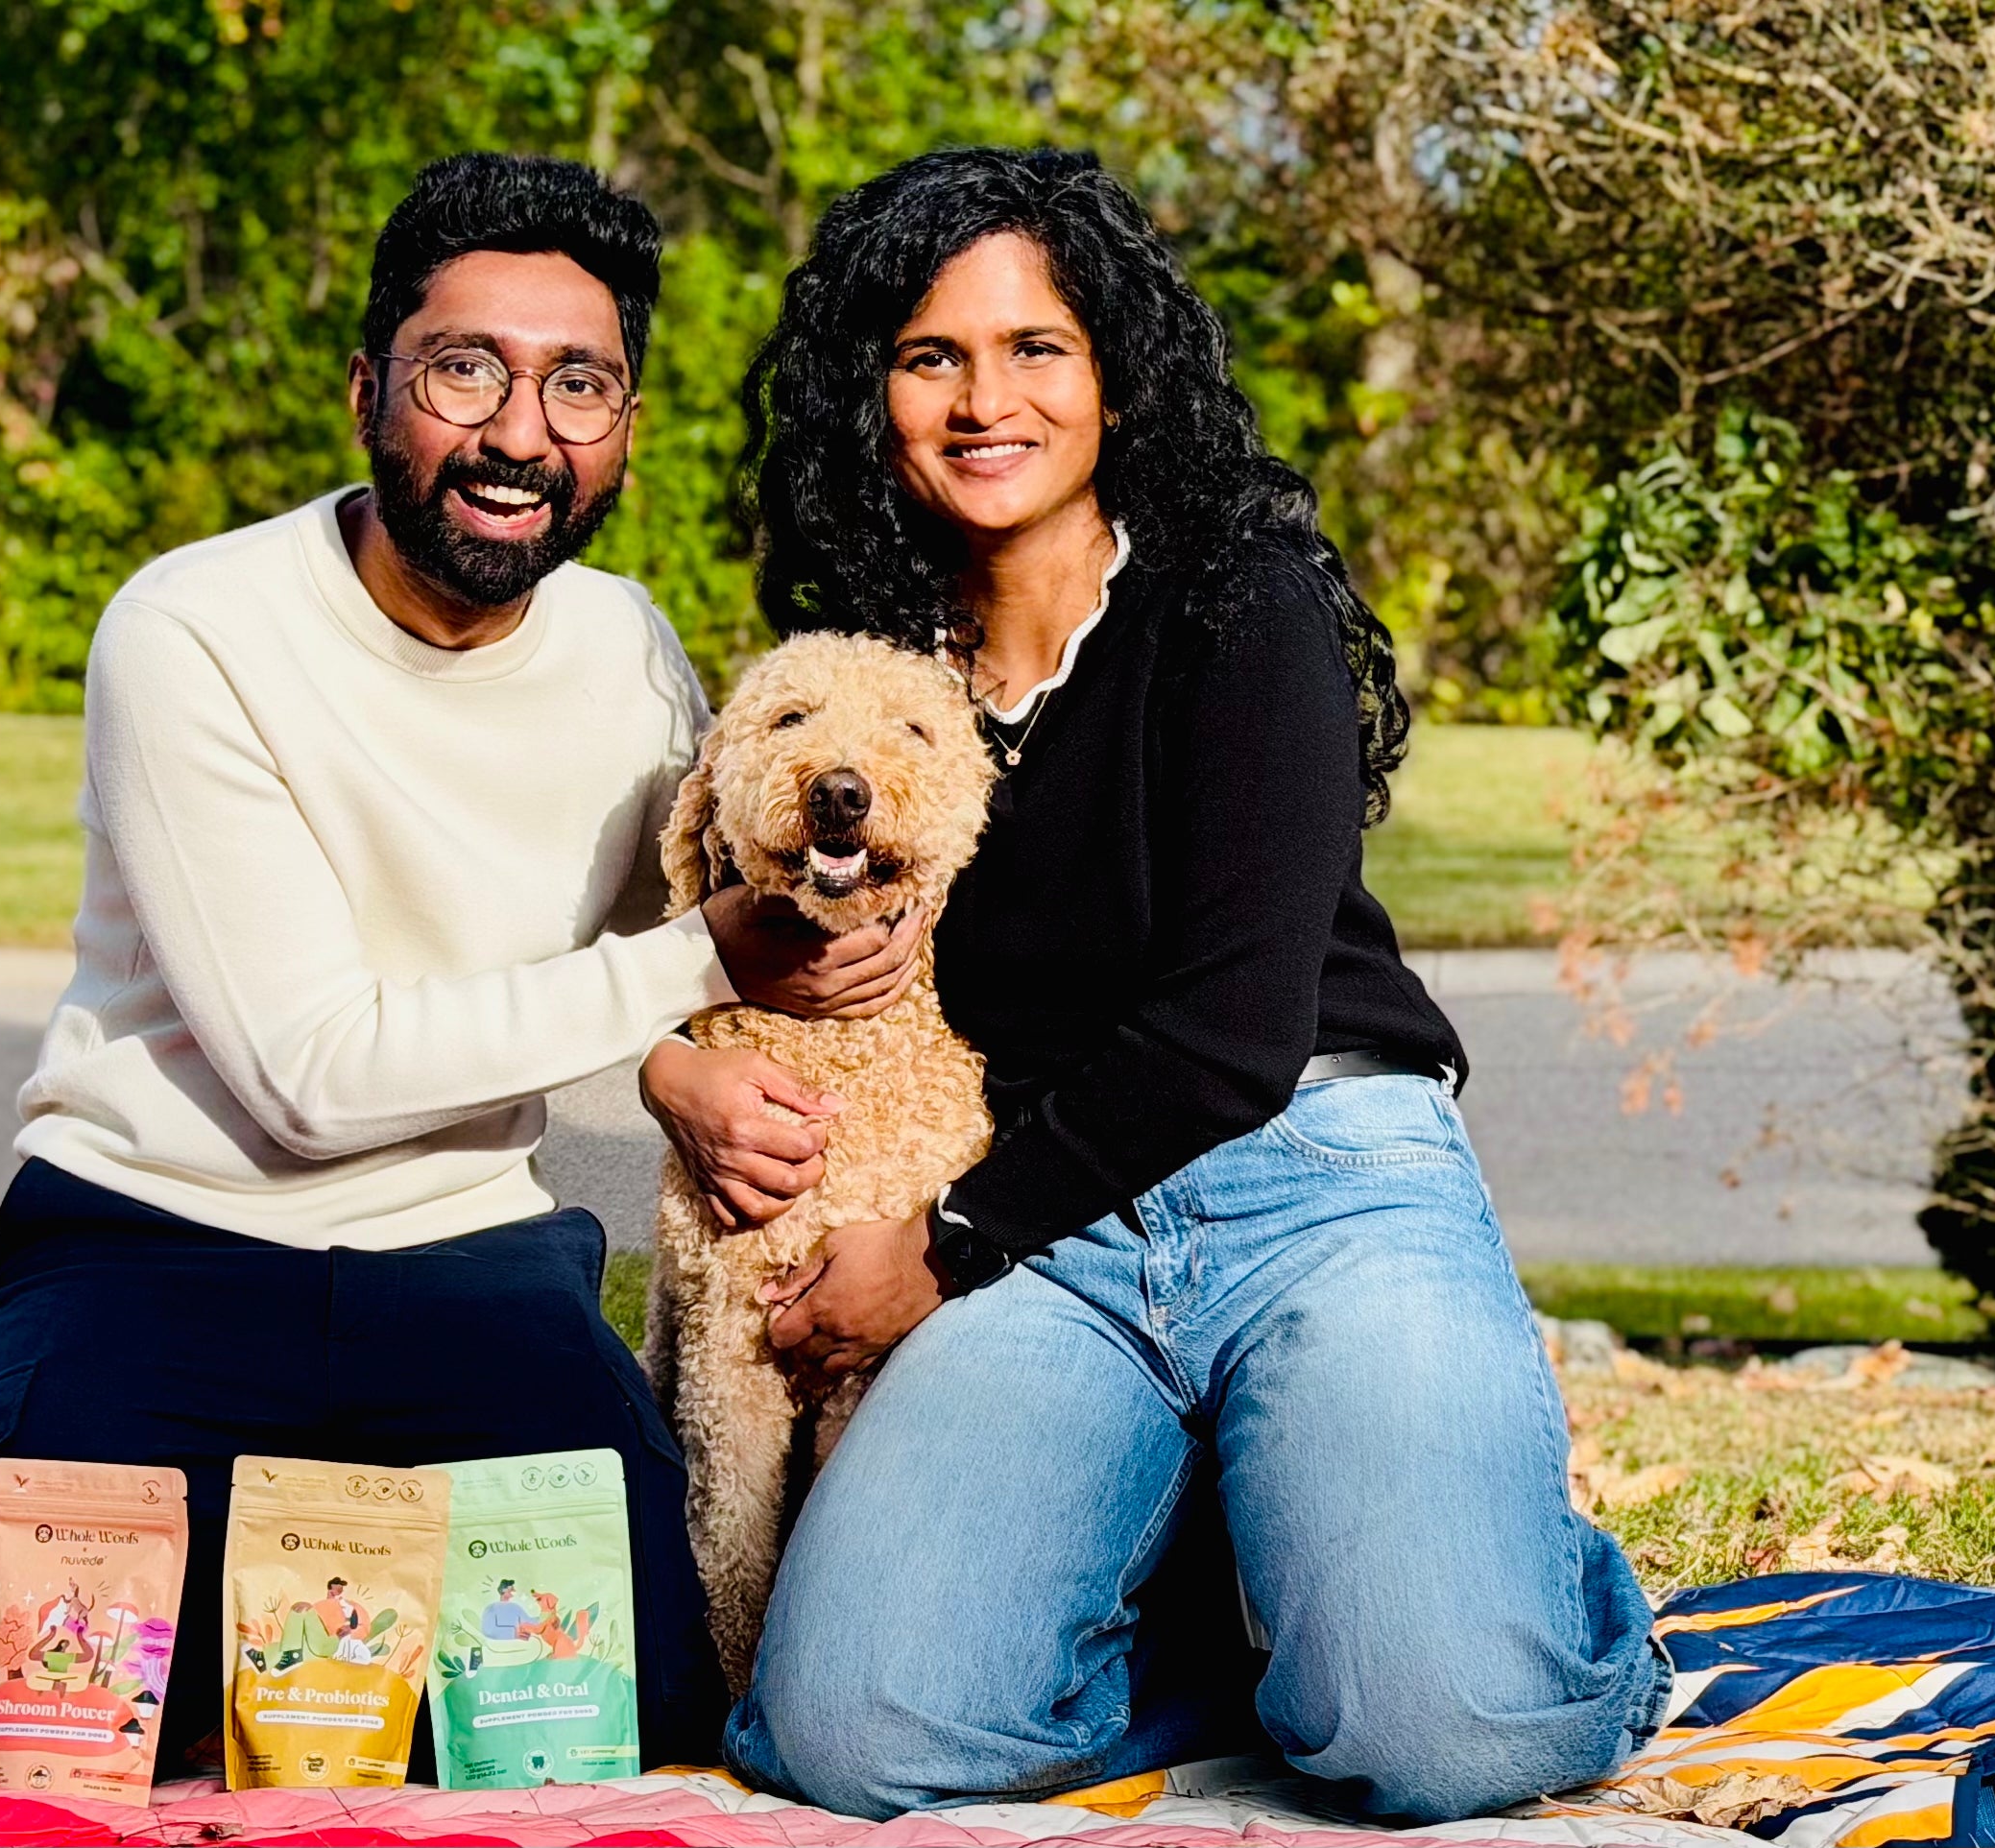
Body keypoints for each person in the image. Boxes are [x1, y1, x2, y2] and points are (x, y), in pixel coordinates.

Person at [662, 147, 1662, 1823]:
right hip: (1056, 1239)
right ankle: (1244, 1612)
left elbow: (1231, 1034)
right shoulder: (879, 695)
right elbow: (733, 932)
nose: (987, 398)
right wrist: (667, 1068)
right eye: (930, 356)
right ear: (871, 397)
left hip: (1317, 1177)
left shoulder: (1235, 599)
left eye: (1035, 346)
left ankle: (1531, 1605)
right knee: (850, 1733)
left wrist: (939, 1250)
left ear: (1114, 374)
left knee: (1445, 1738)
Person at [0, 151, 920, 1774]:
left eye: (578, 385)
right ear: (369, 388)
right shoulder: (192, 631)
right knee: (65, 1714)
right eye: (468, 370)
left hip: (461, 1257)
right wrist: (685, 974)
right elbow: (312, 1072)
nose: (520, 435)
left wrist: (674, 1066)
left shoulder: (628, 647)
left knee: (610, 1707)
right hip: (149, 1245)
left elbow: (604, 954)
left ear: (622, 429)